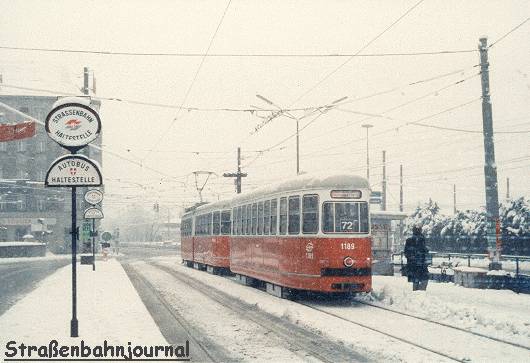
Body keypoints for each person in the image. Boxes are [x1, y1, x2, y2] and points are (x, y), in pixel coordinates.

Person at [404, 224, 430, 291]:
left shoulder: (411, 240)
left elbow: (406, 253)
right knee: (422, 279)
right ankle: (419, 293)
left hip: (415, 264)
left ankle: (418, 293)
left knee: (416, 280)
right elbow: (407, 253)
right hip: (419, 264)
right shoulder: (421, 240)